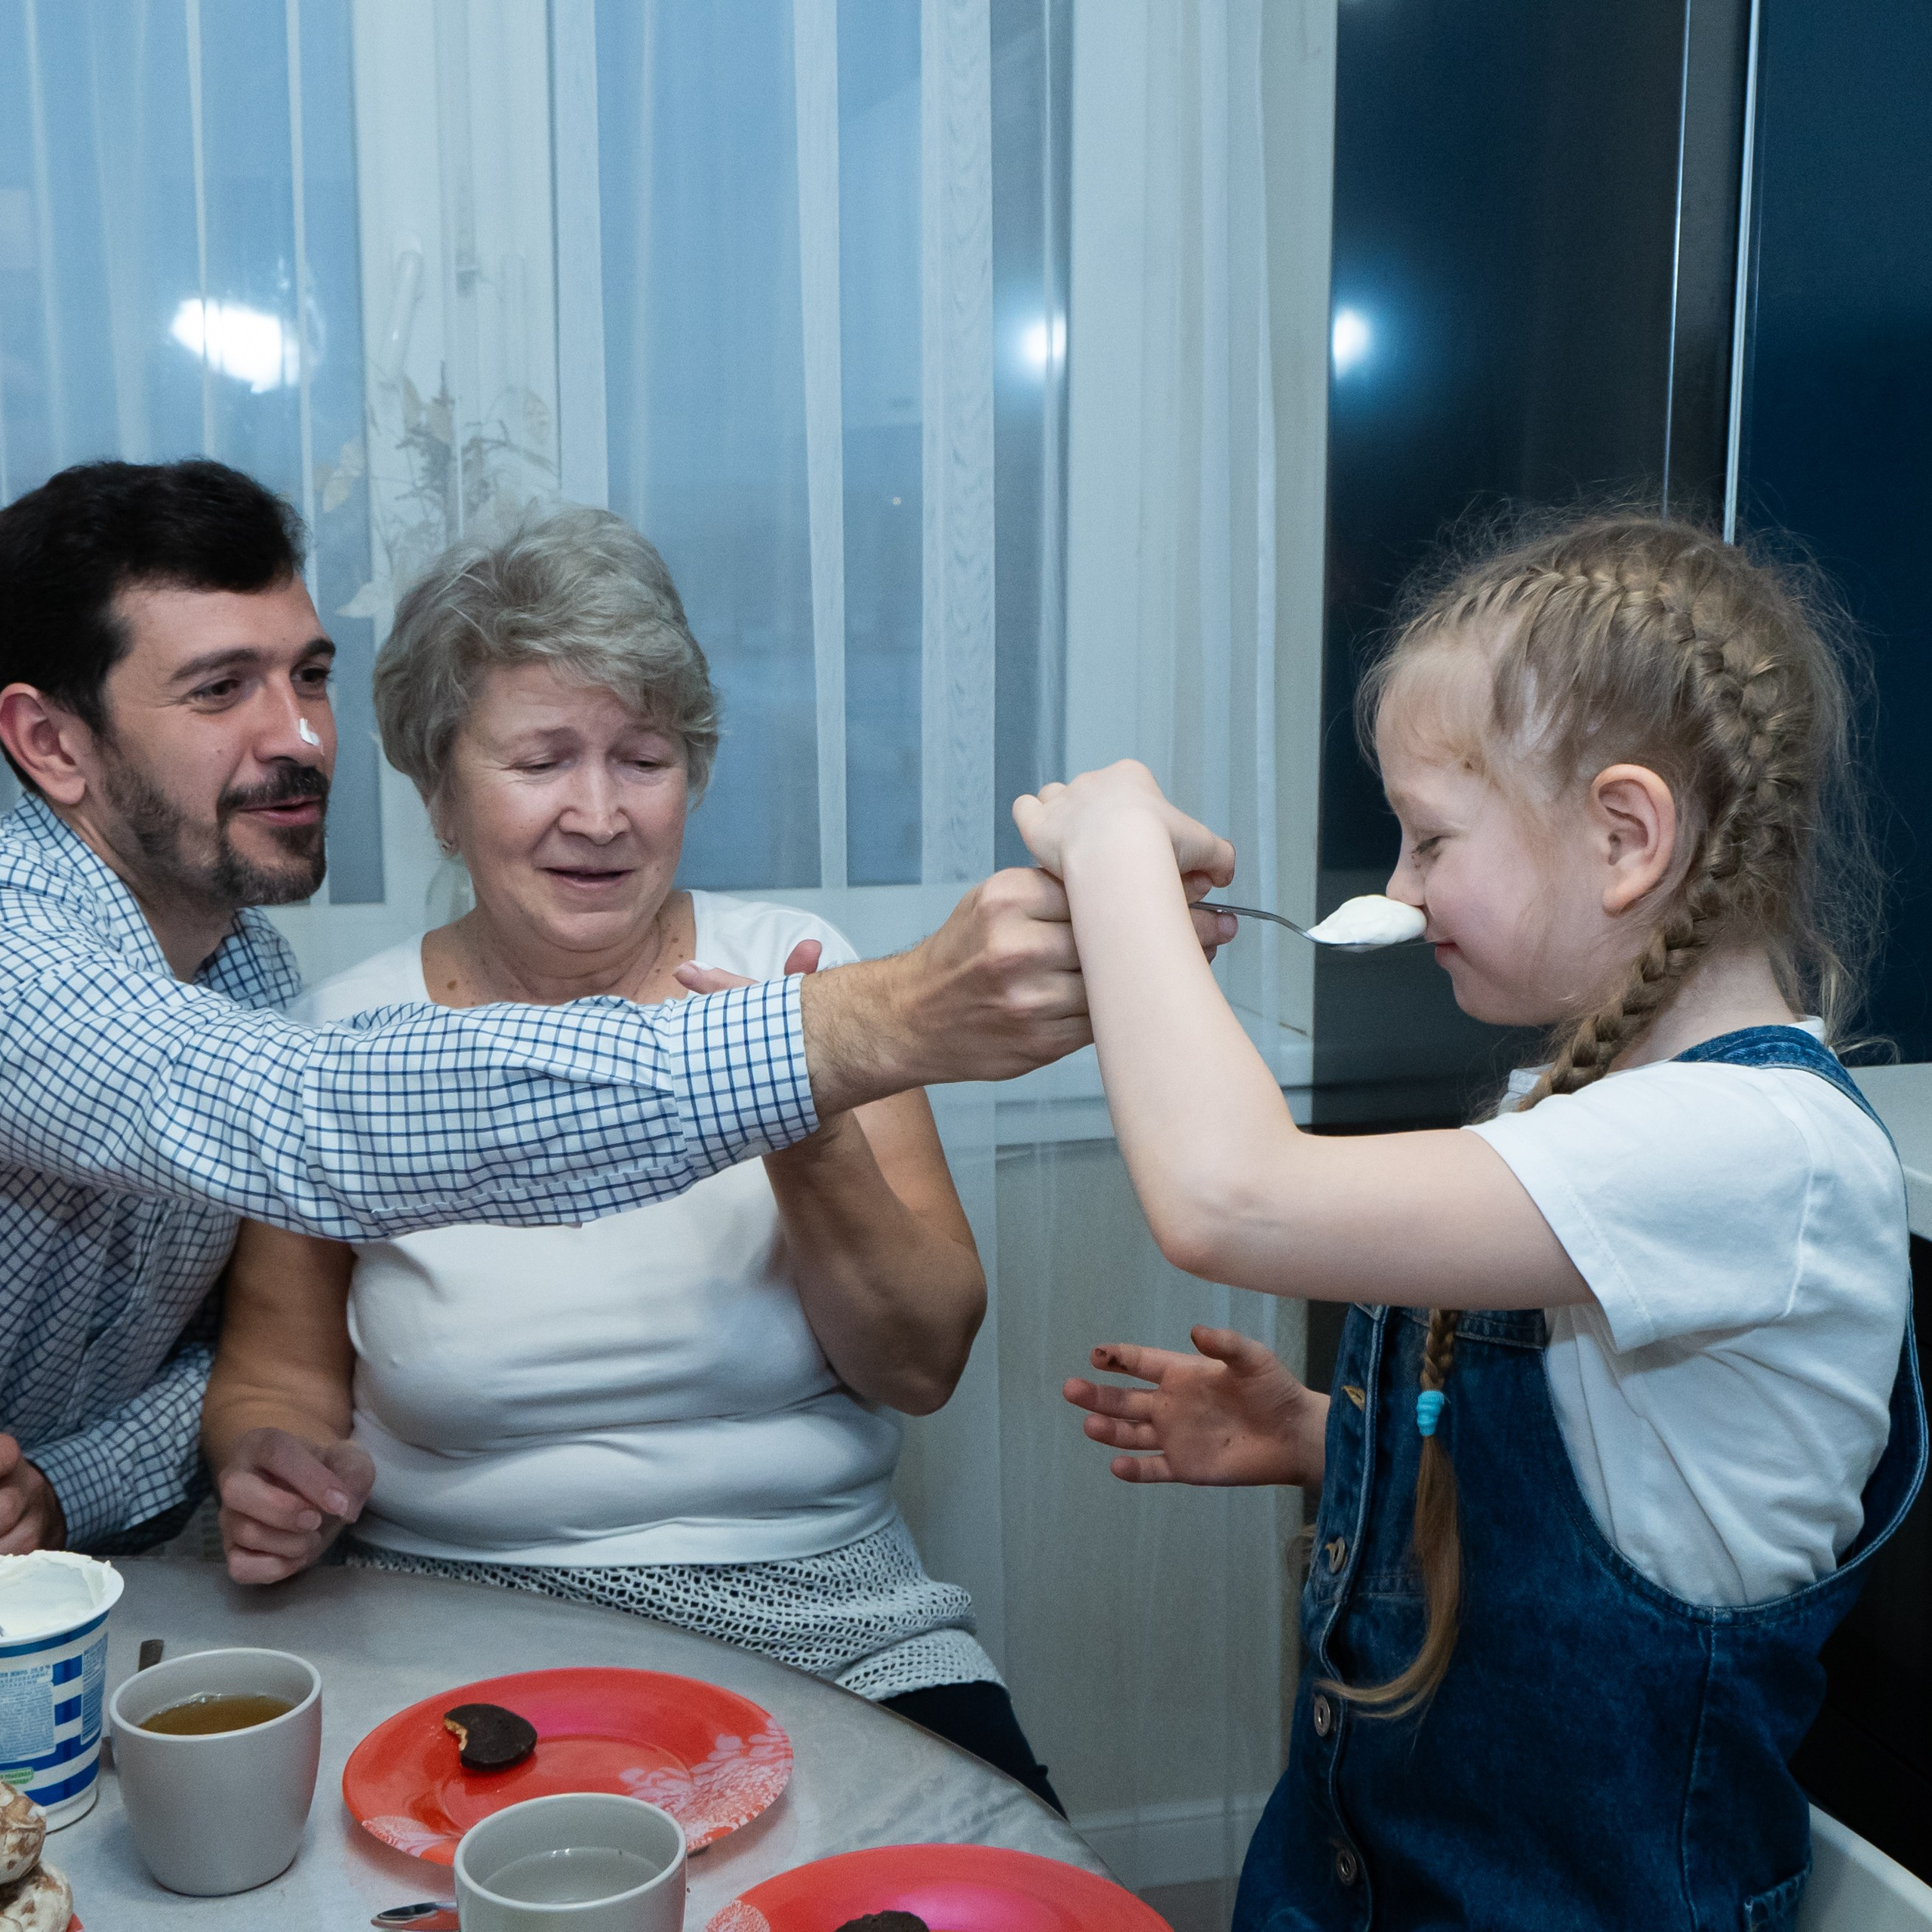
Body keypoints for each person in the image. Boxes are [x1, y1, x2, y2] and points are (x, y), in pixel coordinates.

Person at [0, 457, 1193, 1558]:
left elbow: (921, 1361)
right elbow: (320, 1125)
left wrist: (79, 1483)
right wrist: (852, 1032)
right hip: (458, 1601)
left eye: (308, 676)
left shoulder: (244, 971)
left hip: (820, 1597)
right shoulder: (78, 967)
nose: (303, 735)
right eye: (220, 690)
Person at [1025, 515, 1924, 1927]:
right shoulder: (1584, 1110)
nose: (1399, 890)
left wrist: (1116, 856)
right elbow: (1622, 1475)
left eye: (1431, 839)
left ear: (1626, 836)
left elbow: (1225, 1195)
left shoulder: (1758, 1152)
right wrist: (1335, 1442)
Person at [201, 507, 1059, 1804]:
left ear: (694, 775)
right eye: (541, 761)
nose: (598, 813)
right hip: (457, 1626)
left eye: (643, 759)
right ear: (440, 792)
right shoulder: (342, 1044)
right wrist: (269, 1471)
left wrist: (796, 1114)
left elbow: (922, 1362)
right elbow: (275, 1385)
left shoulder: (803, 977)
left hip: (828, 1611)